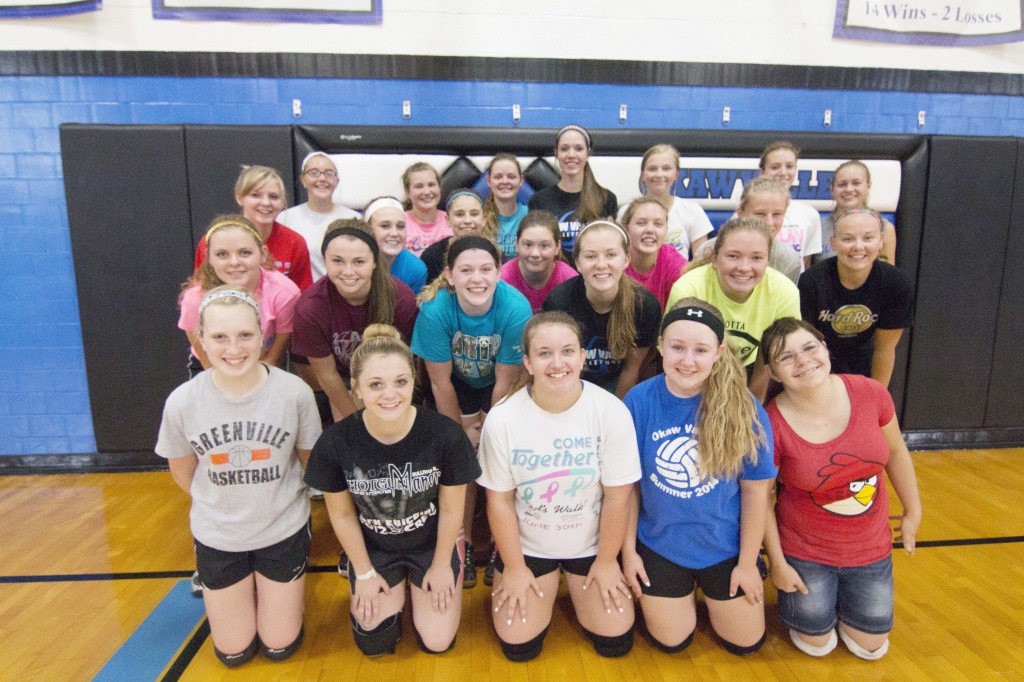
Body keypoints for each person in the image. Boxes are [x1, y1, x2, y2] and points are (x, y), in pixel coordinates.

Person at [156, 286, 322, 668]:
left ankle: (282, 599)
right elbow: (183, 471)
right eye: (220, 337)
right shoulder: (183, 401)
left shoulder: (294, 393)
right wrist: (224, 504)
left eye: (245, 335)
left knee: (279, 645)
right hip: (219, 536)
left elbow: (309, 464)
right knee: (234, 652)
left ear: (263, 333)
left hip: (282, 530)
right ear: (200, 340)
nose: (234, 348)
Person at [303, 325, 481, 657]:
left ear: (414, 381)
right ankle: (394, 588)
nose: (390, 394)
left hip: (431, 545)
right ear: (356, 388)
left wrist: (442, 563)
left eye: (400, 382)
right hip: (375, 549)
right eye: (375, 385)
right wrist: (365, 571)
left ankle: (421, 584)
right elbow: (341, 513)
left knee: (438, 641)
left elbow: (453, 508)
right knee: (374, 641)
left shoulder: (444, 435)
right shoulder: (336, 442)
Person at [478, 311, 641, 662]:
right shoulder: (503, 417)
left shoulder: (611, 411)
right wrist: (516, 567)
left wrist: (607, 560)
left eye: (568, 351)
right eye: (544, 353)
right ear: (527, 361)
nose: (557, 363)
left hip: (591, 544)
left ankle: (578, 576)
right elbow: (500, 502)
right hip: (529, 545)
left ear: (583, 357)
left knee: (615, 640)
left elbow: (617, 498)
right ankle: (519, 570)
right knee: (518, 646)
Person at [760, 317, 922, 660]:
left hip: (870, 549)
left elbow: (895, 451)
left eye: (809, 347)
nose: (803, 360)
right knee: (817, 642)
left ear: (825, 348)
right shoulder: (770, 423)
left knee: (871, 646)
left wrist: (913, 511)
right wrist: (778, 562)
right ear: (773, 373)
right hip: (806, 552)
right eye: (786, 357)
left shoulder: (870, 392)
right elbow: (762, 498)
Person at [622, 298, 776, 656]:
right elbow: (628, 490)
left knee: (746, 644)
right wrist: (628, 553)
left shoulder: (744, 407)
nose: (687, 360)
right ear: (660, 346)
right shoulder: (638, 402)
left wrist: (748, 562)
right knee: (671, 642)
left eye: (701, 349)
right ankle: (684, 594)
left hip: (725, 547)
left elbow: (756, 493)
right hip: (661, 544)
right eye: (677, 347)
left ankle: (712, 591)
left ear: (719, 352)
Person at [411, 235, 532, 588]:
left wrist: (490, 432)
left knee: (498, 459)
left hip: (499, 386)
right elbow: (440, 383)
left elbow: (505, 382)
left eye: (485, 269)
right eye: (466, 270)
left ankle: (498, 542)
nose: (476, 278)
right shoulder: (435, 310)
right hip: (455, 386)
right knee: (459, 463)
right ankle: (460, 539)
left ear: (499, 273)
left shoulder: (515, 307)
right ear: (449, 275)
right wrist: (459, 436)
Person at [292, 220, 419, 426]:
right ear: (325, 260)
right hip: (342, 380)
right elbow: (327, 375)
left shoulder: (401, 298)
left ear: (375, 262)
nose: (348, 271)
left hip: (389, 378)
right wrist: (357, 422)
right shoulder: (311, 307)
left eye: (359, 262)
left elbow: (409, 366)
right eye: (338, 261)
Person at [665, 217, 800, 401]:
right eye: (733, 256)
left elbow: (769, 361)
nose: (744, 267)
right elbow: (681, 357)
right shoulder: (689, 288)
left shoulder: (785, 292)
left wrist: (751, 407)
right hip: (693, 366)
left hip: (751, 369)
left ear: (768, 260)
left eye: (756, 258)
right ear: (714, 258)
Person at [544, 220, 661, 398]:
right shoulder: (559, 302)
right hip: (573, 384)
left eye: (611, 255)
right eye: (591, 256)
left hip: (619, 386)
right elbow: (559, 368)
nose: (601, 264)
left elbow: (631, 370)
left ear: (626, 259)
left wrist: (613, 414)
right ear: (578, 263)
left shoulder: (645, 305)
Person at [799, 208, 914, 387]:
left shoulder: (896, 284)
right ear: (833, 242)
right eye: (848, 238)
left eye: (868, 238)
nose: (858, 246)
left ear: (881, 241)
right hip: (818, 371)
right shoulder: (811, 282)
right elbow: (805, 347)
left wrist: (877, 397)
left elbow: (884, 350)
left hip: (866, 372)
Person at [179, 215, 300, 376]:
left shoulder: (284, 293)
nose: (234, 262)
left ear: (262, 254)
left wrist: (260, 378)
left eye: (244, 253)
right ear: (209, 257)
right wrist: (218, 379)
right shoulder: (195, 298)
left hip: (264, 363)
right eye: (222, 254)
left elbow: (281, 342)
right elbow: (194, 335)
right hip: (211, 366)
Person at [194, 165, 312, 291]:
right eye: (256, 195)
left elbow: (303, 296)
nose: (266, 203)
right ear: (239, 198)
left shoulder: (295, 242)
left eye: (273, 197)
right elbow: (201, 292)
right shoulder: (213, 241)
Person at [528, 125, 618, 266]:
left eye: (578, 148)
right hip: (555, 278)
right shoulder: (538, 200)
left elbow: (611, 247)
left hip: (594, 276)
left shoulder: (606, 198)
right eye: (564, 149)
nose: (571, 155)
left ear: (588, 153)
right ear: (556, 153)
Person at [696, 176, 803, 284]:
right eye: (760, 214)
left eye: (777, 214)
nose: (769, 222)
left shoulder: (789, 259)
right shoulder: (707, 250)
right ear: (740, 213)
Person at [277, 152, 360, 281]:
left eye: (328, 173)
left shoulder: (354, 219)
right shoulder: (285, 218)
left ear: (337, 181)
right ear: (303, 179)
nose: (322, 178)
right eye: (314, 172)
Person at [624, 144, 713, 260]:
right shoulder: (626, 211)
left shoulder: (692, 211)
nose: (659, 174)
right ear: (642, 175)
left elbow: (701, 262)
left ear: (676, 174)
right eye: (652, 169)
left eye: (666, 169)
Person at [817, 160, 897, 265]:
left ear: (868, 186)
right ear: (832, 189)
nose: (849, 189)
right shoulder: (817, 228)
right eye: (842, 184)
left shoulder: (885, 228)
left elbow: (889, 275)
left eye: (856, 183)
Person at [758, 141, 822, 270]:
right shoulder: (746, 211)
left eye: (789, 166)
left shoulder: (809, 214)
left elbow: (805, 261)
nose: (783, 172)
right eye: (775, 167)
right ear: (762, 172)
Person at [500, 210, 579, 313]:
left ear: (557, 247)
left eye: (544, 246)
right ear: (516, 244)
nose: (535, 254)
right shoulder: (501, 281)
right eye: (528, 245)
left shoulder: (570, 280)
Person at [621, 197, 687, 310]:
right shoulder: (613, 257)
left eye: (658, 224)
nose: (650, 230)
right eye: (641, 223)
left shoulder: (674, 263)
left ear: (666, 230)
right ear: (626, 228)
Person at [420, 189, 495, 284]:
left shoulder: (494, 253)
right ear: (448, 220)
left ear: (484, 219)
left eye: (474, 214)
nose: (467, 220)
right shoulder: (432, 256)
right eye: (459, 214)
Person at [363, 195, 428, 295]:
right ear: (368, 229)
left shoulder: (415, 269)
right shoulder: (350, 262)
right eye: (385, 226)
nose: (394, 233)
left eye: (400, 226)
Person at [483, 153, 529, 260]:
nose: (505, 181)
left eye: (511, 177)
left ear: (521, 180)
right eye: (498, 177)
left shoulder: (530, 215)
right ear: (489, 181)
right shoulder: (479, 218)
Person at [402, 162, 450, 257]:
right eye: (419, 186)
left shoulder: (453, 221)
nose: (427, 192)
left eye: (431, 185)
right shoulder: (399, 223)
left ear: (439, 188)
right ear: (407, 192)